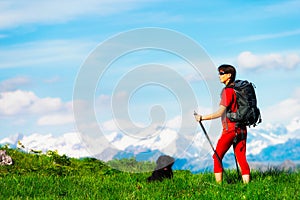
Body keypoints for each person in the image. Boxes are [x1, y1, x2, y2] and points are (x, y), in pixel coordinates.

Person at [194, 64, 250, 184]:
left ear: (229, 75)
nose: (219, 76)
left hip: (230, 129)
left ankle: (219, 187)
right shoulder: (239, 91)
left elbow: (220, 113)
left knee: (217, 157)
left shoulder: (227, 91)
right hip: (242, 128)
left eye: (222, 73)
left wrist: (202, 118)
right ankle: (247, 186)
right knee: (241, 158)